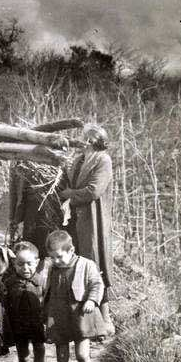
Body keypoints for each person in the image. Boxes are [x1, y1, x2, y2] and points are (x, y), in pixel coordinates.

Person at [58, 123, 115, 335]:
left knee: (95, 265)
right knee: (77, 264)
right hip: (75, 220)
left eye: (83, 138)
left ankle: (106, 321)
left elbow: (93, 191)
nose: (80, 141)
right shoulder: (80, 159)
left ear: (91, 141)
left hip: (93, 220)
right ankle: (83, 322)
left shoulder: (103, 160)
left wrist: (69, 195)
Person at [43, 230, 106, 362]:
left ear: (71, 250)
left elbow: (96, 284)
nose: (55, 261)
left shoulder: (86, 264)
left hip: (79, 316)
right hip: (59, 316)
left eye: (59, 257)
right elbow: (48, 292)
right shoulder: (53, 268)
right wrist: (45, 315)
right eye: (52, 257)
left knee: (82, 355)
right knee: (62, 356)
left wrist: (92, 300)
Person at [3, 241, 49, 362]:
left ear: (37, 262)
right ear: (14, 265)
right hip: (19, 325)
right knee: (23, 354)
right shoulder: (9, 283)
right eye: (20, 264)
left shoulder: (42, 281)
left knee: (39, 349)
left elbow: (47, 302)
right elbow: (5, 304)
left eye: (29, 264)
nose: (25, 268)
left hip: (36, 323)